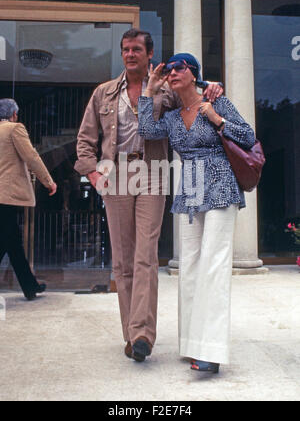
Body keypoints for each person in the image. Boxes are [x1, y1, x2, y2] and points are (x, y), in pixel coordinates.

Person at [74, 29, 223, 362]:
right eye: (126, 49)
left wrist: (212, 88)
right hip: (116, 176)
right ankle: (131, 334)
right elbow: (85, 140)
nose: (130, 54)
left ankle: (142, 333)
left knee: (146, 255)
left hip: (153, 174)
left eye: (137, 49)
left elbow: (195, 94)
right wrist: (94, 174)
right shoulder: (104, 93)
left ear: (149, 54)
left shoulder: (166, 89)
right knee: (123, 261)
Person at [138, 53, 256, 373]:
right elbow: (147, 130)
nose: (172, 73)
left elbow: (248, 136)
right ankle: (192, 343)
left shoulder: (217, 100)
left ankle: (211, 352)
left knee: (214, 267)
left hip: (219, 183)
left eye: (179, 68)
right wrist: (149, 87)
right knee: (189, 266)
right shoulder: (175, 117)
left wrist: (217, 119)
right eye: (168, 69)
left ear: (193, 73)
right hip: (190, 188)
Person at [0, 99, 57, 301]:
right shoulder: (14, 129)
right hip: (6, 196)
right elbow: (31, 156)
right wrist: (48, 181)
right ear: (14, 114)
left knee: (12, 243)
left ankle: (30, 287)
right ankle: (30, 287)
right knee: (9, 241)